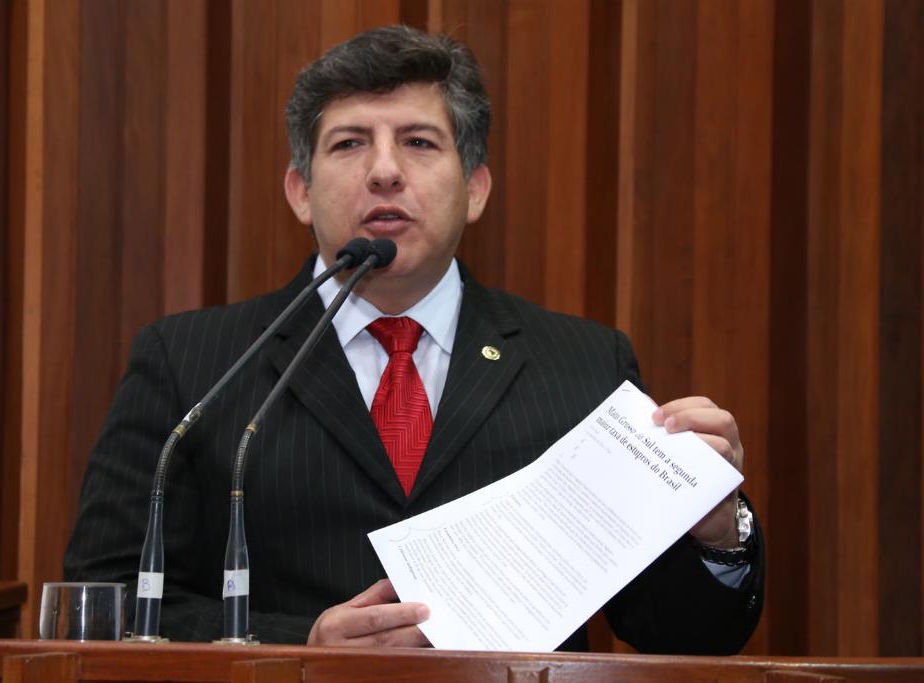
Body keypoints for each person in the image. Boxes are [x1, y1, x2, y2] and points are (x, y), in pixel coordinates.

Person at [65, 25, 762, 654]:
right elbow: (108, 600)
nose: (384, 170)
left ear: (476, 189)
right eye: (349, 143)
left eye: (419, 142)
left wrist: (716, 529)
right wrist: (297, 644)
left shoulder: (584, 364)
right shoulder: (191, 363)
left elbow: (683, 634)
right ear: (300, 191)